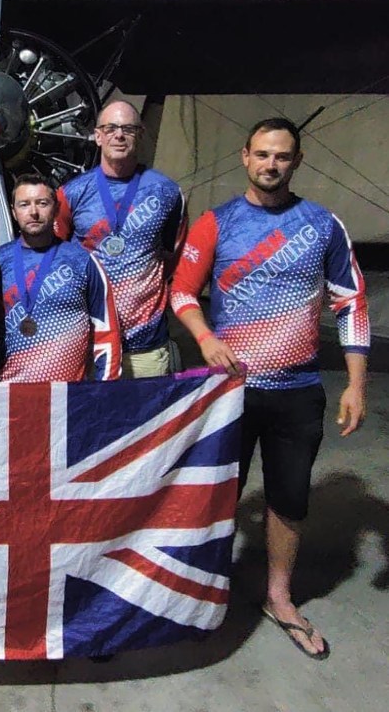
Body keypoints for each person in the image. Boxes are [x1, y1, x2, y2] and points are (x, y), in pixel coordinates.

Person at [170, 117, 369, 660]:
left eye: (281, 156)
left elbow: (351, 302)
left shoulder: (323, 225)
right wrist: (206, 338)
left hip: (298, 391)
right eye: (262, 155)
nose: (271, 165)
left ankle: (278, 598)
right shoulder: (216, 223)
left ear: (296, 161)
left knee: (290, 498)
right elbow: (182, 293)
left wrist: (355, 383)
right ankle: (201, 591)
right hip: (228, 393)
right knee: (216, 495)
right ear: (245, 157)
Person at [55, 100, 187, 378]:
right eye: (111, 127)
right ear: (98, 135)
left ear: (139, 134)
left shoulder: (167, 193)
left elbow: (172, 259)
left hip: (145, 348)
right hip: (89, 345)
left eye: (128, 128)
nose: (119, 135)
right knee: (89, 421)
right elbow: (56, 260)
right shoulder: (72, 194)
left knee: (150, 421)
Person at [0, 174, 121, 382]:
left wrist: (105, 390)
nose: (33, 212)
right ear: (14, 212)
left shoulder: (83, 261)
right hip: (8, 398)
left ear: (56, 207)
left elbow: (106, 331)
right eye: (24, 204)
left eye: (42, 203)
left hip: (69, 398)